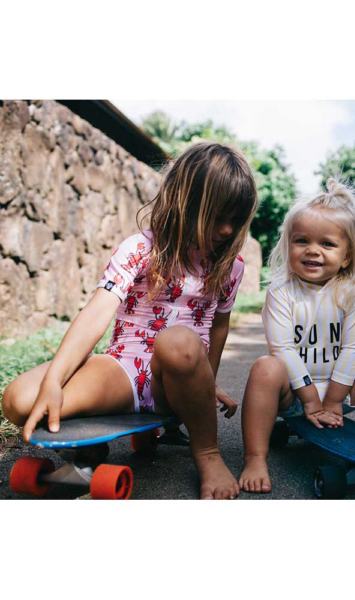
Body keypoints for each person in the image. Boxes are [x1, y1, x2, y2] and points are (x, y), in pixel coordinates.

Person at [3, 141, 258, 500]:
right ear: (185, 204)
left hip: (173, 381)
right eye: (218, 218)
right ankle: (87, 455)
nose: (228, 231)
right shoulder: (140, 248)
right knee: (19, 399)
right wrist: (55, 380)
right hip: (124, 371)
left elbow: (219, 325)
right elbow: (97, 312)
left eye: (235, 220)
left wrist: (204, 383)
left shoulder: (229, 268)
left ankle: (208, 454)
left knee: (178, 342)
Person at [238, 177, 355, 494]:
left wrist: (334, 401)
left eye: (327, 244)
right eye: (302, 241)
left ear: (348, 256)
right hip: (295, 395)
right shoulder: (281, 293)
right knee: (265, 367)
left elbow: (353, 350)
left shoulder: (351, 293)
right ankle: (255, 458)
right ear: (288, 246)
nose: (313, 250)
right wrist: (311, 401)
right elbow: (283, 348)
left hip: (341, 394)